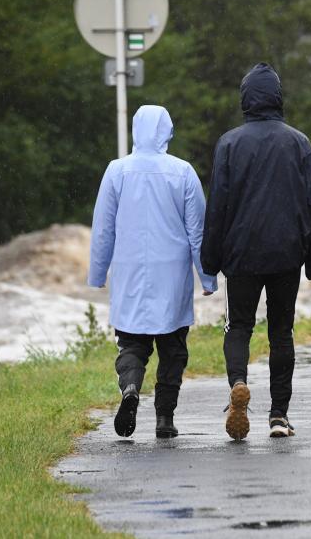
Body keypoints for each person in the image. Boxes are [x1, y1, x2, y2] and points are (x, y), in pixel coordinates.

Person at [201, 63, 311, 440]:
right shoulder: (299, 143)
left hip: (241, 255)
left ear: (245, 99)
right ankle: (278, 415)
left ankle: (238, 384)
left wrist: (210, 258)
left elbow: (218, 206)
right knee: (281, 331)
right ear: (277, 97)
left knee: (238, 326)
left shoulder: (229, 144)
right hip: (286, 253)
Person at [88, 104, 217, 439]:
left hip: (129, 273)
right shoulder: (183, 172)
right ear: (167, 132)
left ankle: (130, 386)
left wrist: (97, 274)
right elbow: (197, 231)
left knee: (131, 343)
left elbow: (103, 229)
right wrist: (207, 276)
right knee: (173, 349)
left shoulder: (116, 171)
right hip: (171, 275)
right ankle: (164, 418)